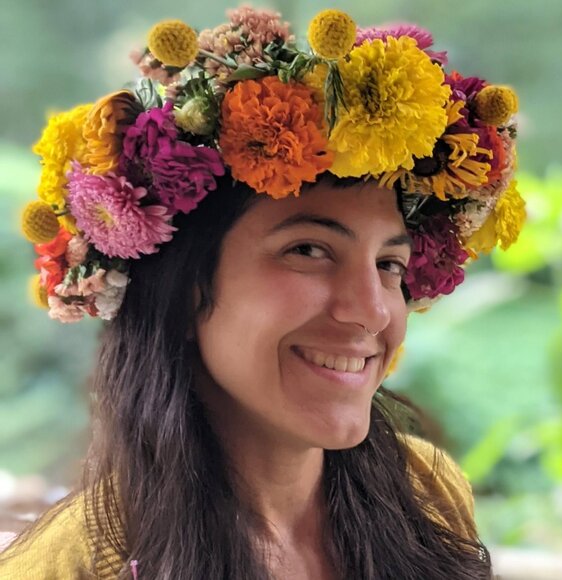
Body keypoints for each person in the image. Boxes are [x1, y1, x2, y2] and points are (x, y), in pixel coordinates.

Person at [0, 6, 525, 579]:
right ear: (182, 290)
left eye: (388, 264)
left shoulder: (426, 490)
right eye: (308, 250)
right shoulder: (65, 568)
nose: (373, 311)